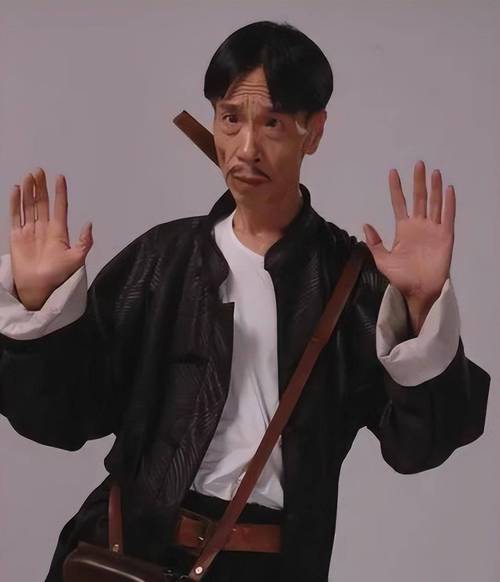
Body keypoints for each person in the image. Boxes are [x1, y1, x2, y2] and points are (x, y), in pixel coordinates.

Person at [0, 20, 490, 582]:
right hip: (129, 550)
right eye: (231, 118)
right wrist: (39, 308)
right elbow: (65, 418)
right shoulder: (164, 260)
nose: (247, 148)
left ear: (314, 132)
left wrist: (422, 305)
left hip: (271, 566)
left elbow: (418, 446)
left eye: (272, 123)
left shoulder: (351, 282)